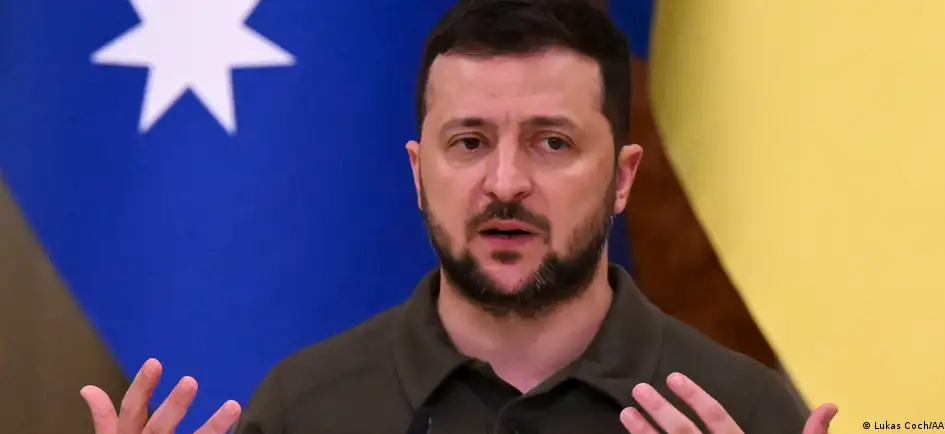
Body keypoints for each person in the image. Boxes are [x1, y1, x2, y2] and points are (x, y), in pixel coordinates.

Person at [79, 0, 839, 432]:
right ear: (419, 173)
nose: (505, 183)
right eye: (469, 143)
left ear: (622, 178)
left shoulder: (739, 411)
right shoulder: (304, 407)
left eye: (552, 142)